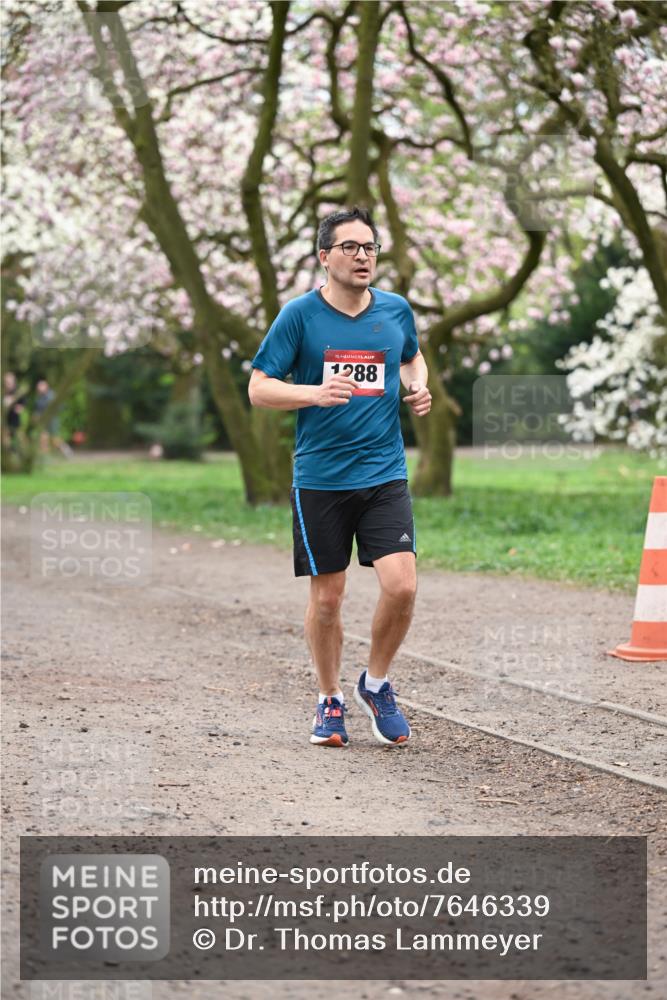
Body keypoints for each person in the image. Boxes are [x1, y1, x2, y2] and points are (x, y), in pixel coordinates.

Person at [248, 206, 431, 748]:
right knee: (328, 600)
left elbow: (412, 360)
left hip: (383, 475)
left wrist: (418, 386)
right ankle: (329, 700)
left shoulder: (396, 311)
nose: (363, 256)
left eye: (370, 247)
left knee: (402, 586)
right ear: (324, 257)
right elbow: (259, 388)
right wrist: (312, 393)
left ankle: (375, 683)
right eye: (350, 247)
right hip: (321, 479)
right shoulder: (299, 316)